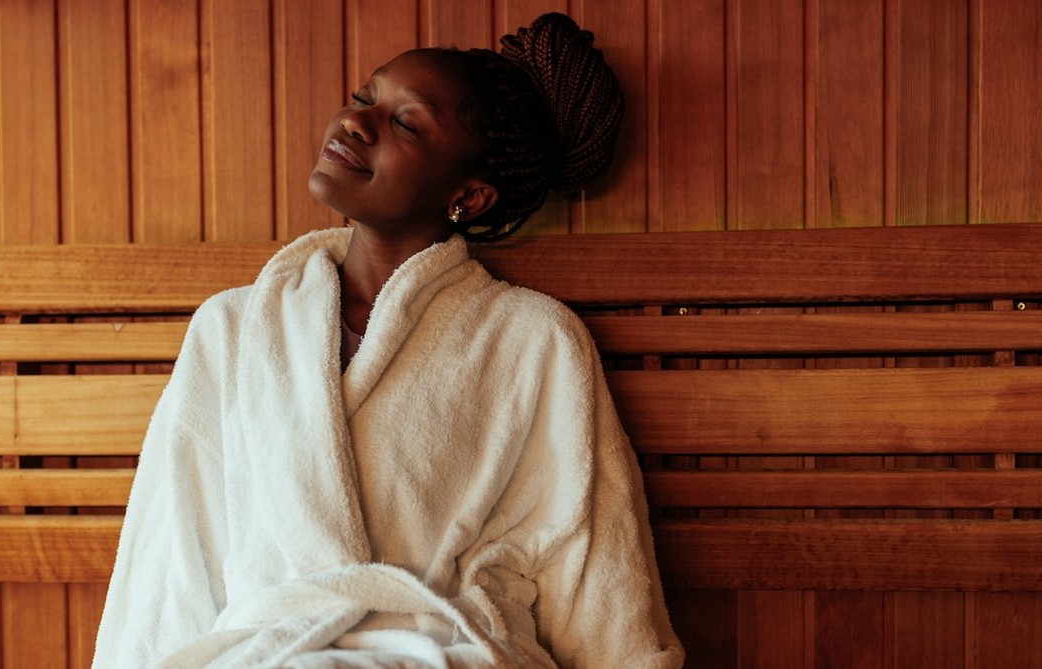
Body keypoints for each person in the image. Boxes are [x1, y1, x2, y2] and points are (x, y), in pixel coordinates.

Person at [93, 13, 684, 669]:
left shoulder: (534, 339)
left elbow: (589, 558)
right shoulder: (233, 330)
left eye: (405, 122)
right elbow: (174, 552)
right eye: (364, 98)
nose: (355, 123)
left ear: (470, 195)